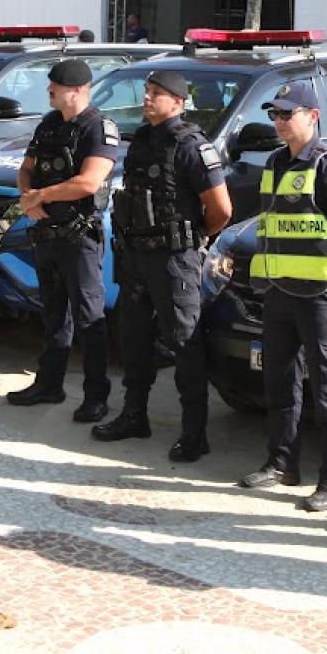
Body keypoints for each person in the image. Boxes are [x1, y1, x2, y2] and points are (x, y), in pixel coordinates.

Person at [235, 81, 327, 514]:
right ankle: (282, 463)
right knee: (279, 382)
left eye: (287, 114)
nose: (278, 121)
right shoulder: (274, 161)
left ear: (312, 116)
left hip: (319, 296)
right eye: (274, 114)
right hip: (276, 293)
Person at [94, 69, 231, 460]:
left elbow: (221, 209)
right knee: (134, 340)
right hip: (137, 257)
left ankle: (194, 434)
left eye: (157, 93)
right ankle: (134, 415)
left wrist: (194, 239)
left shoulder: (191, 146)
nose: (147, 99)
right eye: (147, 92)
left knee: (185, 345)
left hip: (174, 261)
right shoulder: (142, 141)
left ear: (178, 101)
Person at [6, 58, 119, 420]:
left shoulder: (99, 128)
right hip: (46, 234)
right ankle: (49, 385)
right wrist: (28, 198)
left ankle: (95, 396)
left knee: (89, 317)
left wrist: (41, 196)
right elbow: (26, 170)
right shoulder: (49, 124)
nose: (48, 90)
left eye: (54, 85)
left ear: (76, 90)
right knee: (53, 314)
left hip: (79, 236)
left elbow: (88, 182)